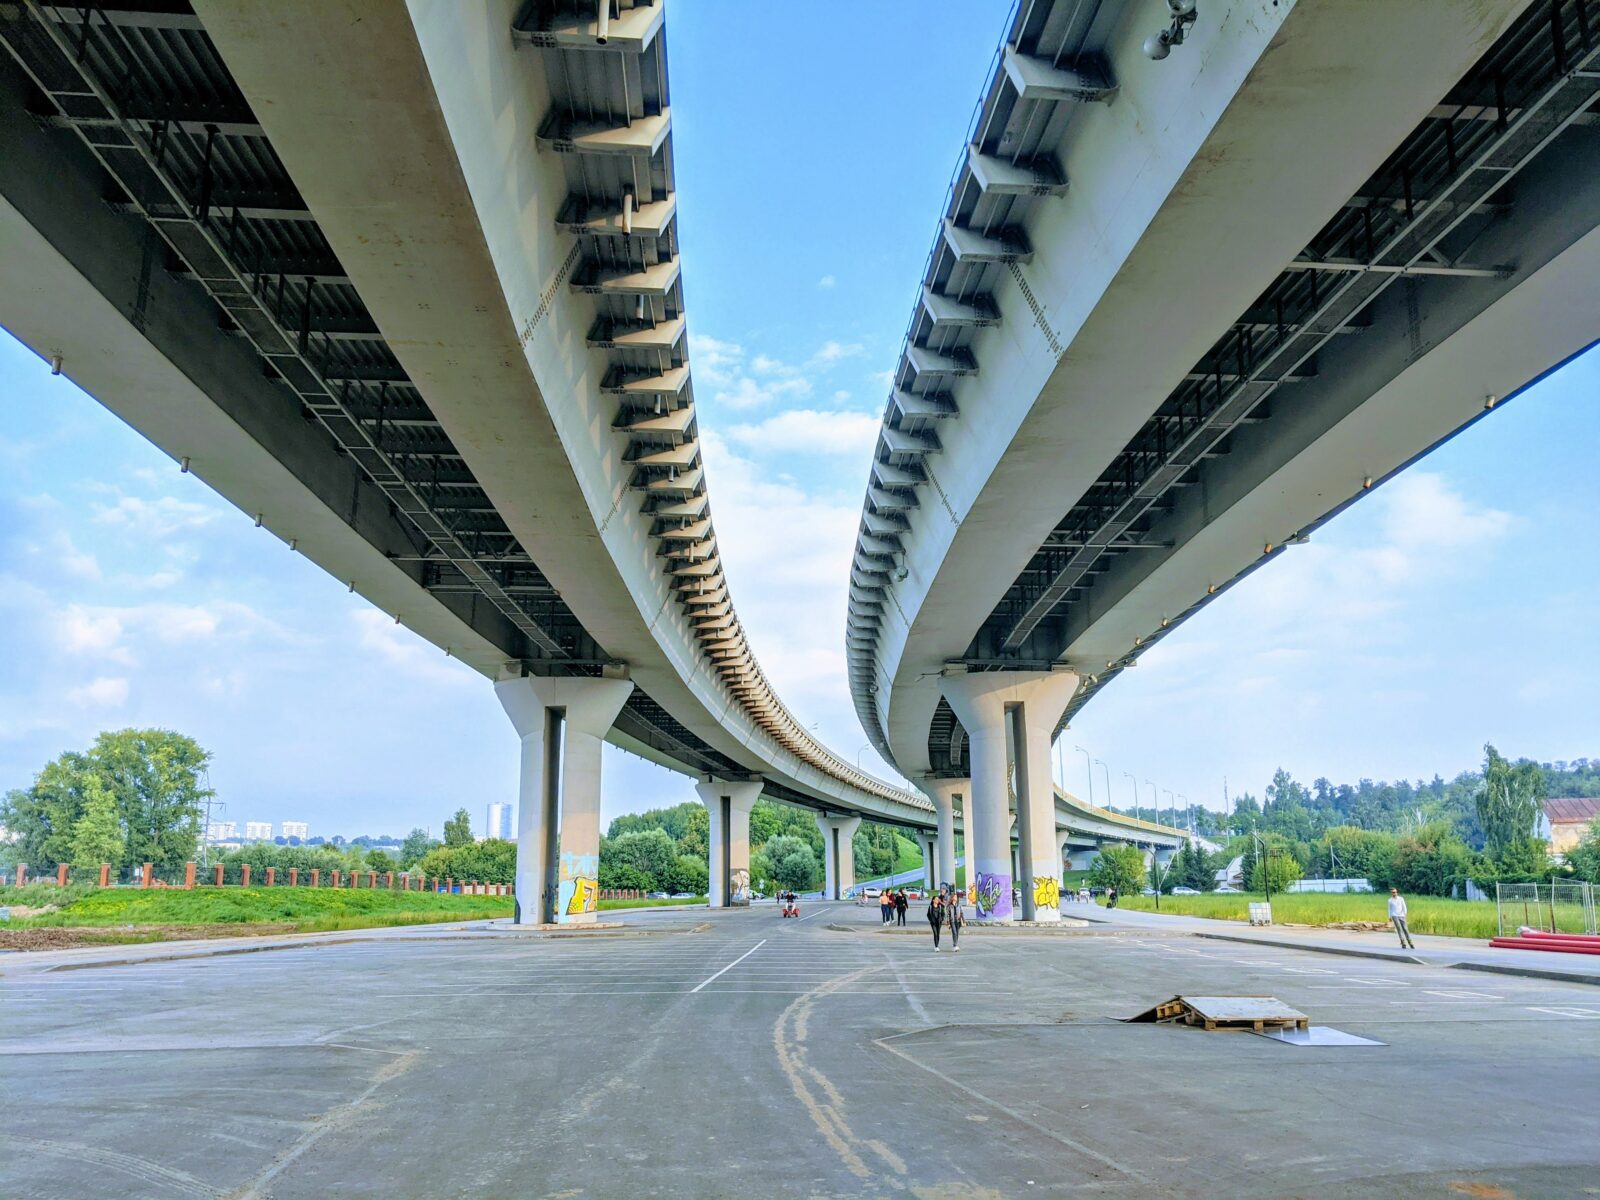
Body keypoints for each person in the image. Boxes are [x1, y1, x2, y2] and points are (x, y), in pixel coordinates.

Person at [945, 888, 964, 952]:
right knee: (954, 933)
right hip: (952, 921)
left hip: (958, 921)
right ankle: (954, 946)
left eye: (956, 897)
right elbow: (947, 915)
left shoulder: (959, 905)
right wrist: (948, 923)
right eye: (955, 896)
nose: (956, 898)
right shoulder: (949, 906)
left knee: (957, 933)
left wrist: (963, 921)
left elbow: (962, 913)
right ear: (952, 897)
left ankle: (955, 945)